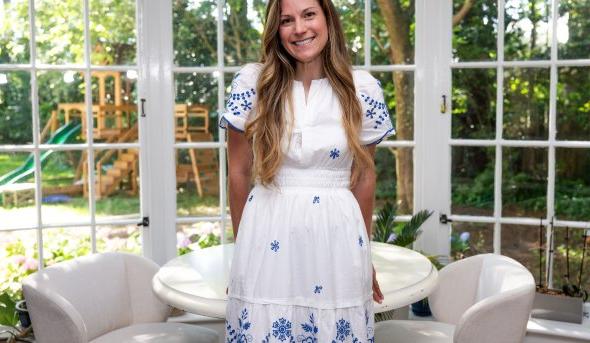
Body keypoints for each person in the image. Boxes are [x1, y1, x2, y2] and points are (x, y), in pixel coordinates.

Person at [220, 0, 394, 341]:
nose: (299, 28)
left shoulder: (363, 89)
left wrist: (364, 255)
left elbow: (363, 177)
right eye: (287, 20)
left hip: (338, 237)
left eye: (309, 14)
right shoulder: (253, 83)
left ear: (328, 19)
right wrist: (245, 253)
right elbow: (239, 173)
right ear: (276, 30)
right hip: (266, 230)